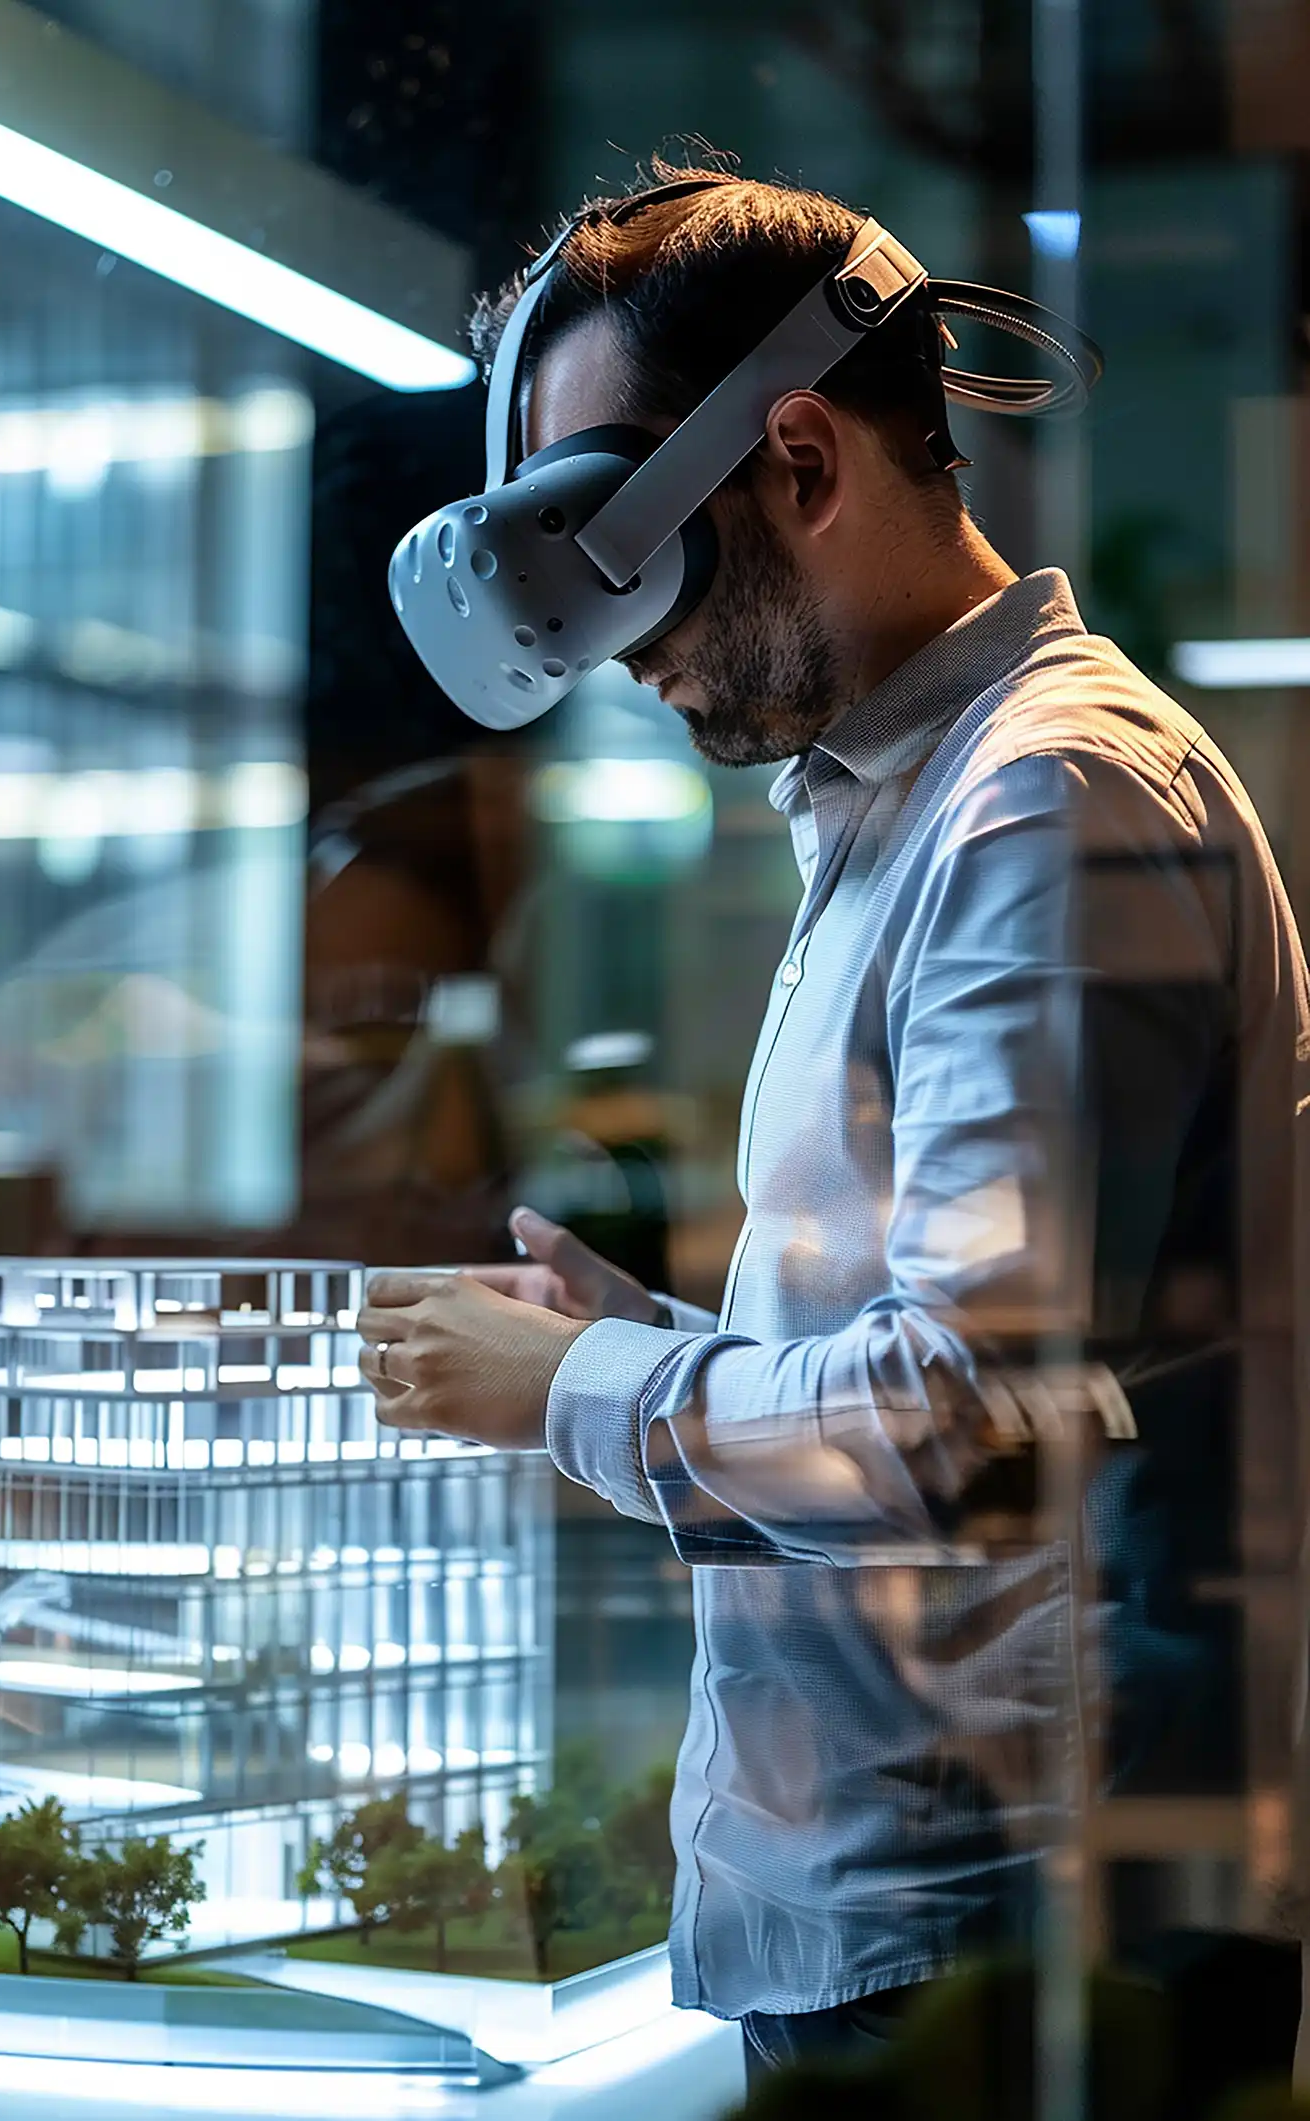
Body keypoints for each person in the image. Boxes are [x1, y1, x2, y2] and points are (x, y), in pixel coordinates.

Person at [355, 167, 1309, 2087]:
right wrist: (654, 1349)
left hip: (1018, 1932)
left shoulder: (1048, 807)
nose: (625, 650)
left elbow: (974, 1415)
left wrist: (579, 1395)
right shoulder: (917, 802)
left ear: (800, 459)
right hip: (942, 1896)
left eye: (634, 561)